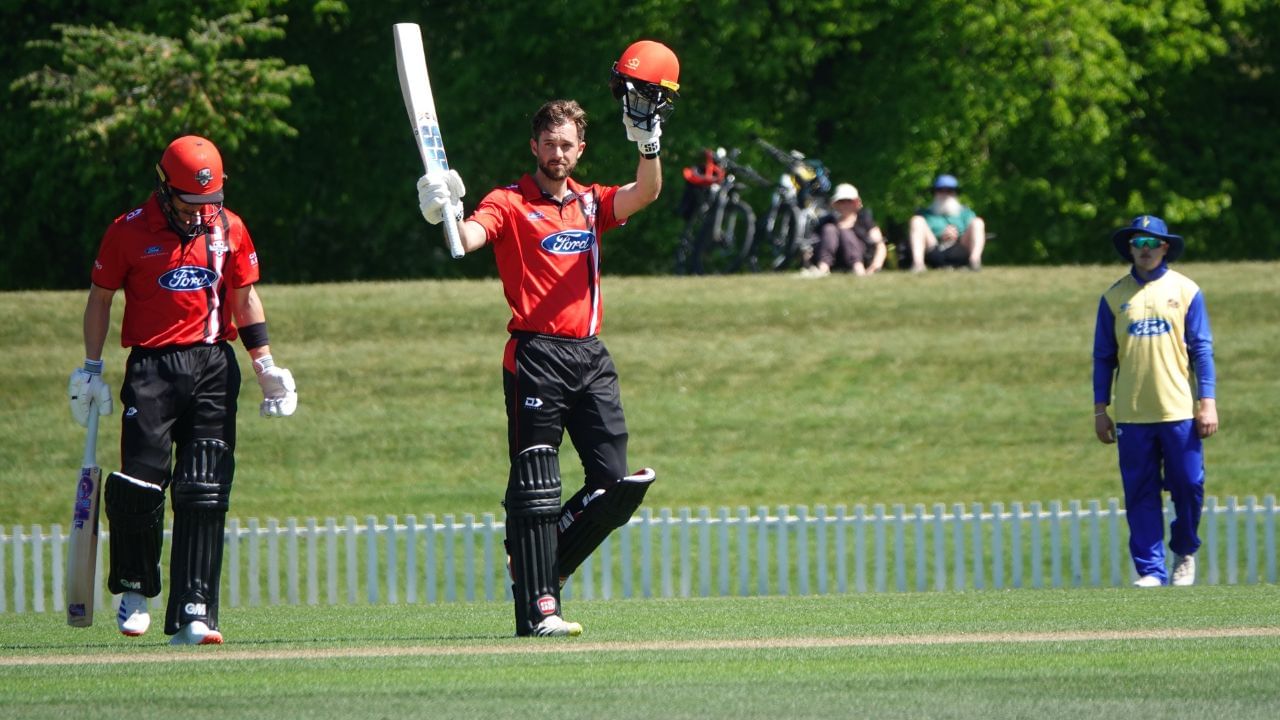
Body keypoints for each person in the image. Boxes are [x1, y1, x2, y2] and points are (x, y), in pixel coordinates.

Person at [415, 41, 679, 637]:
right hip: (535, 356)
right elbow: (469, 239)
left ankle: (535, 560)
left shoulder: (591, 204)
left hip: (591, 356)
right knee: (536, 482)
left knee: (616, 484)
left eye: (569, 145)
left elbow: (649, 192)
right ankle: (540, 607)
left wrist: (649, 143)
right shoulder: (507, 203)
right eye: (550, 143)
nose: (559, 153)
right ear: (535, 145)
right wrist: (443, 213)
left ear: (580, 149)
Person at [68, 135, 298, 645]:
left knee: (204, 488)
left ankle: (196, 611)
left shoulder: (230, 227)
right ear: (164, 188)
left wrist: (264, 365)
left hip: (214, 364)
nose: (199, 215)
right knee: (139, 489)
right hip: (152, 366)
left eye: (209, 203)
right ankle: (134, 589)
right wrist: (90, 367)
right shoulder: (128, 231)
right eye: (189, 204)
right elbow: (100, 299)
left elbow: (244, 296)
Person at [1092, 215, 1217, 588]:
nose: (1144, 251)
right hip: (1132, 414)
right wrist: (1101, 409)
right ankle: (1150, 570)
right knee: (1140, 492)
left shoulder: (1187, 290)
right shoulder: (1114, 297)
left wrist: (1207, 400)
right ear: (1130, 248)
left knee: (1189, 485)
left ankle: (1185, 551)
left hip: (1178, 409)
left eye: (1152, 244)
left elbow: (1201, 350)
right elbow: (1103, 357)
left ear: (1165, 247)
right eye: (1138, 244)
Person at [799, 183, 885, 278]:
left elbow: (880, 245)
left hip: (860, 260)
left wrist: (875, 266)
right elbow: (810, 247)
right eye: (841, 201)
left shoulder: (864, 219)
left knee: (845, 233)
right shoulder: (826, 222)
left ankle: (858, 270)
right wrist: (807, 263)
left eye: (849, 201)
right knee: (829, 229)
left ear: (856, 203)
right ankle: (823, 269)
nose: (845, 205)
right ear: (835, 204)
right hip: (834, 263)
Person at [907, 174, 986, 271]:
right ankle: (918, 264)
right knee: (916, 221)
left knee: (978, 222)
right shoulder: (925, 214)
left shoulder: (966, 213)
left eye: (949, 191)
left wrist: (956, 235)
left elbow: (973, 234)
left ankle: (975, 261)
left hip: (960, 248)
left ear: (955, 193)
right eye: (940, 190)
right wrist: (941, 236)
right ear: (935, 193)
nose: (945, 194)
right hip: (935, 248)